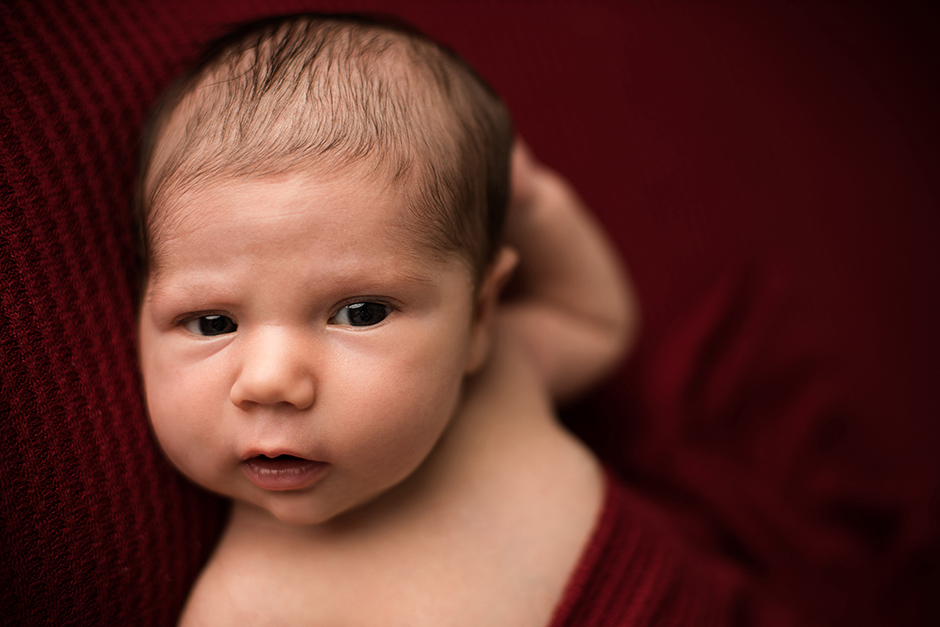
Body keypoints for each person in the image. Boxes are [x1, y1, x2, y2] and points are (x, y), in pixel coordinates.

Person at [135, 12, 639, 625]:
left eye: (361, 313)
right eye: (212, 323)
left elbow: (596, 323)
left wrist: (534, 203)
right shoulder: (250, 606)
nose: (269, 382)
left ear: (478, 317)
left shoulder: (499, 374)